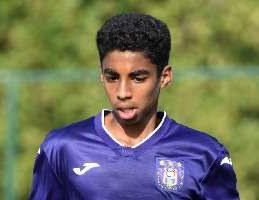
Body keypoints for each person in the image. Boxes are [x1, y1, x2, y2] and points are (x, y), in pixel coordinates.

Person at [29, 13, 239, 200]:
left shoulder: (205, 154)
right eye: (112, 77)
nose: (122, 92)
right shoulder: (62, 149)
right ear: (101, 75)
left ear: (164, 77)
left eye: (137, 78)